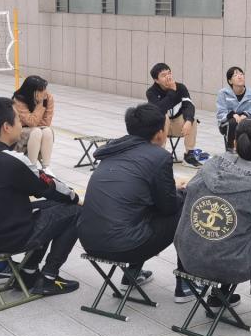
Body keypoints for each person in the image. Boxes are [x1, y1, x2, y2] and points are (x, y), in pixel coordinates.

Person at [174, 118, 251, 326]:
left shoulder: (211, 164)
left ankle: (218, 297)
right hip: (229, 265)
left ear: (234, 141)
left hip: (189, 258)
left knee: (230, 230)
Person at [0, 97, 81, 296]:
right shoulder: (10, 160)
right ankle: (49, 277)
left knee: (49, 207)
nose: (21, 123)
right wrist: (75, 197)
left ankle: (28, 272)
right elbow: (47, 186)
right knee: (75, 210)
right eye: (17, 119)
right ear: (6, 127)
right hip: (4, 238)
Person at [79, 104, 188, 293]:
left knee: (136, 210)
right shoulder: (159, 157)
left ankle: (133, 274)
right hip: (125, 247)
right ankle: (185, 283)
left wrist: (169, 188)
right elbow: (169, 208)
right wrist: (180, 191)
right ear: (159, 134)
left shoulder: (113, 150)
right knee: (186, 203)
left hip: (89, 242)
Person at [146, 63, 202, 167]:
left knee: (192, 119)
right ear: (156, 80)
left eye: (169, 73)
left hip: (177, 126)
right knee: (163, 116)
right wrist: (172, 91)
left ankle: (189, 156)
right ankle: (159, 155)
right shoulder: (151, 92)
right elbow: (159, 110)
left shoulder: (181, 87)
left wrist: (188, 120)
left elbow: (188, 105)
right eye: (163, 75)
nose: (168, 77)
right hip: (159, 129)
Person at [12, 75, 56, 176]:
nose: (44, 92)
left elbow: (46, 122)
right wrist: (40, 104)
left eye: (45, 88)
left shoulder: (48, 97)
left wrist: (34, 122)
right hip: (21, 130)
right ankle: (32, 167)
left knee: (47, 131)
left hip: (37, 128)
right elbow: (31, 122)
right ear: (32, 91)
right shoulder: (19, 99)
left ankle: (46, 167)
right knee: (36, 132)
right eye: (41, 90)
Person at [215, 66, 251, 152]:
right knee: (233, 122)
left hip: (245, 121)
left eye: (241, 74)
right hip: (227, 123)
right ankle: (230, 149)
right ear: (230, 81)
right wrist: (232, 115)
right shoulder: (223, 93)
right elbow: (220, 113)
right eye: (235, 75)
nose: (239, 76)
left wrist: (245, 115)